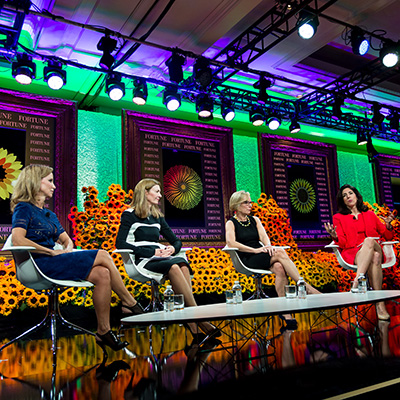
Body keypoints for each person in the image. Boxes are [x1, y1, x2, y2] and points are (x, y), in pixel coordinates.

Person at [10, 164, 143, 352]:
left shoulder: (49, 214)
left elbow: (67, 240)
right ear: (35, 182)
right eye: (49, 181)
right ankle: (129, 302)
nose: (54, 186)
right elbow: (17, 239)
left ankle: (103, 330)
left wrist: (67, 248)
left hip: (57, 260)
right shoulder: (23, 208)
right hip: (39, 264)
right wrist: (51, 252)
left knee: (102, 273)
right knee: (103, 254)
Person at [116, 178, 220, 340]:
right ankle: (199, 318)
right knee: (174, 266)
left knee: (182, 264)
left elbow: (176, 241)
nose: (160, 196)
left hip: (160, 259)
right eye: (157, 191)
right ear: (145, 192)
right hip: (142, 260)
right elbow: (120, 242)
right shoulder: (129, 214)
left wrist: (172, 248)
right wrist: (151, 253)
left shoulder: (157, 216)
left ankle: (194, 328)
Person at [225, 190, 320, 327]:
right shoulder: (231, 223)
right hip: (247, 257)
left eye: (250, 202)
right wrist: (255, 250)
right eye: (246, 202)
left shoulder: (255, 220)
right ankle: (305, 287)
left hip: (260, 253)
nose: (250, 205)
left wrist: (268, 246)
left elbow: (264, 237)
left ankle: (285, 311)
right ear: (236, 205)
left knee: (279, 268)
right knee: (280, 253)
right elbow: (231, 243)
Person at [324, 184, 395, 321]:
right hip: (354, 253)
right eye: (344, 195)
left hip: (374, 245)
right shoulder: (339, 217)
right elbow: (343, 243)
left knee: (369, 242)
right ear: (342, 201)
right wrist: (334, 236)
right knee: (375, 256)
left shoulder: (370, 214)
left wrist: (388, 225)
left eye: (350, 193)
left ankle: (356, 282)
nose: (348, 196)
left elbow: (388, 236)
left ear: (356, 195)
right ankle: (380, 305)